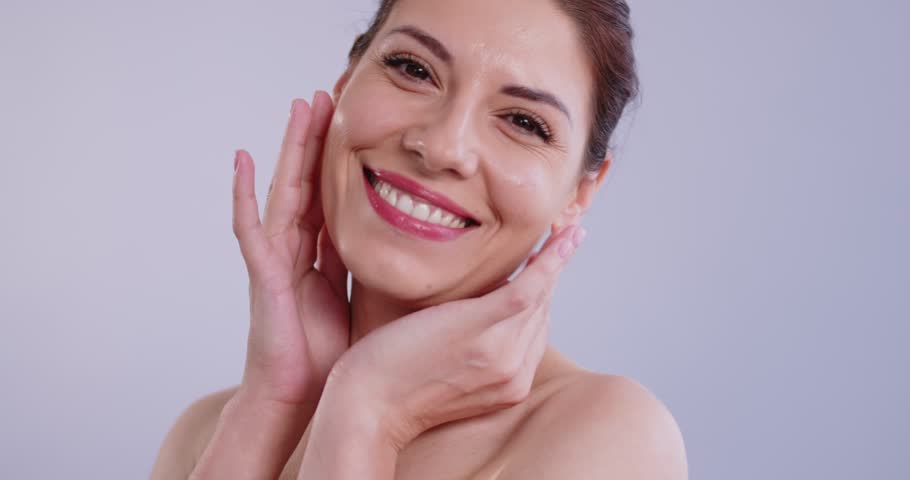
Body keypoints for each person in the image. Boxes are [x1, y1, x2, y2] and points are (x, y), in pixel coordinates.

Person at [151, 0, 688, 478]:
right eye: (412, 69)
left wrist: (367, 412)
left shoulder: (610, 438)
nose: (442, 146)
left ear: (581, 189)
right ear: (345, 84)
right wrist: (274, 401)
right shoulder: (206, 432)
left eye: (524, 122)